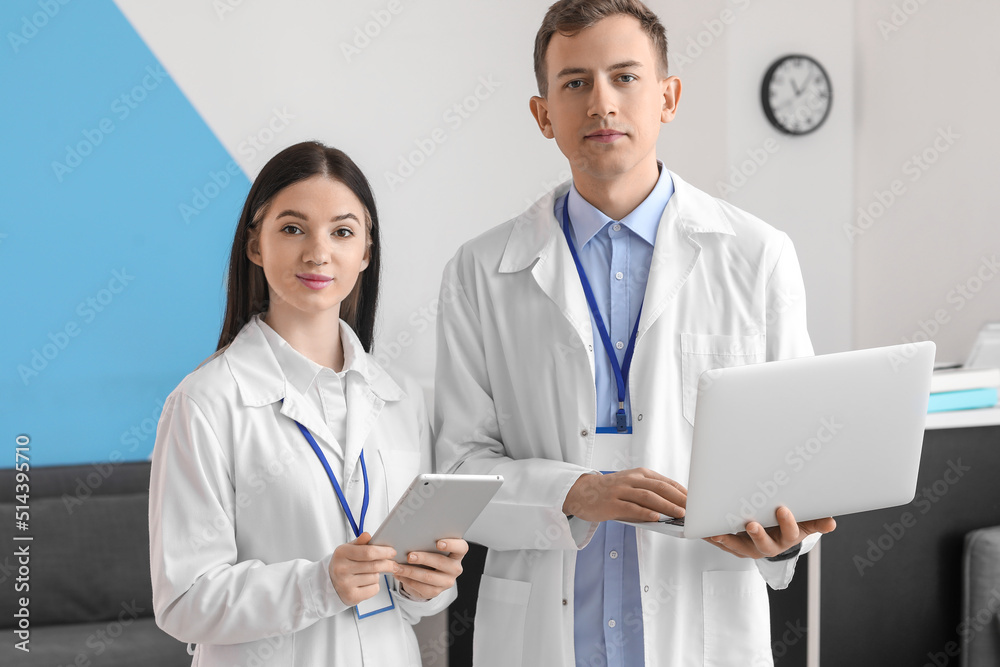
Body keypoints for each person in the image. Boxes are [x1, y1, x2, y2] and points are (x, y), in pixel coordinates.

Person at [433, 2, 836, 665]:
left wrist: (785, 538)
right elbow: (459, 470)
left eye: (625, 77)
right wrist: (574, 492)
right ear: (542, 114)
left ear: (668, 97)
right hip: (548, 637)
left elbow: (797, 458)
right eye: (575, 83)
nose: (601, 103)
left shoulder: (755, 255)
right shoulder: (482, 271)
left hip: (701, 631)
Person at [149, 141, 467, 666]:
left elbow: (413, 603)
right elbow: (183, 600)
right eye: (293, 228)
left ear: (366, 251)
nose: (318, 253)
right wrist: (319, 584)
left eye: (342, 232)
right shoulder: (205, 402)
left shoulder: (402, 399)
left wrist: (426, 584)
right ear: (255, 244)